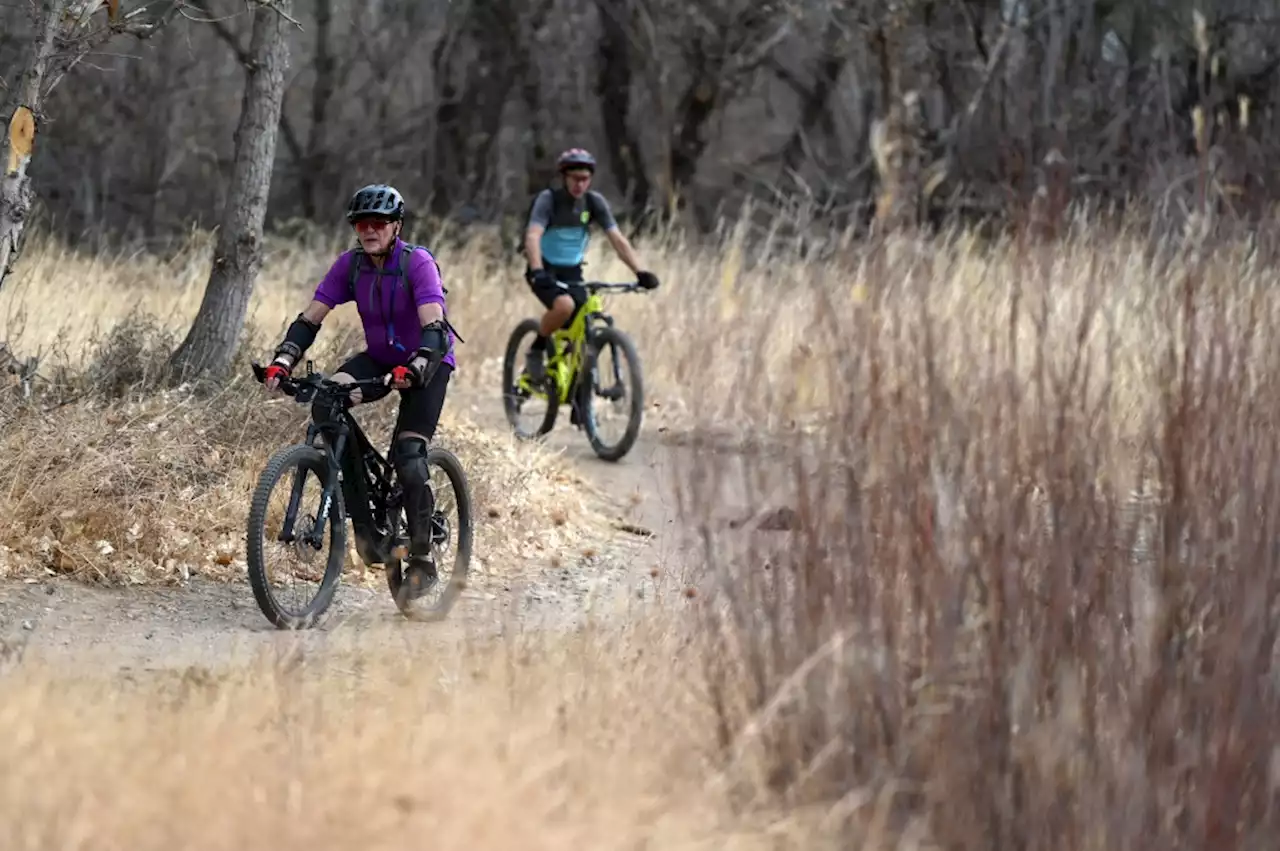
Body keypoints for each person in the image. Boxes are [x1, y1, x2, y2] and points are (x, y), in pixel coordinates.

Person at [263, 183, 457, 599]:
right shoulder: (351, 266)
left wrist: (418, 366)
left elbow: (435, 328)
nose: (369, 230)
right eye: (361, 223)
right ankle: (366, 526)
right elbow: (311, 319)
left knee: (408, 455)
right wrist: (284, 359)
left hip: (427, 362)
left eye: (379, 223)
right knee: (326, 401)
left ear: (396, 226)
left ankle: (422, 558)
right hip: (382, 357)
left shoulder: (417, 263)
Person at [521, 147, 660, 382]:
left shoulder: (593, 202)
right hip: (544, 269)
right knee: (564, 306)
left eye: (585, 179)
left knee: (583, 324)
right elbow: (533, 236)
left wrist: (641, 272)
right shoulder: (549, 200)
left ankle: (579, 396)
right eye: (575, 179)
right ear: (564, 177)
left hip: (572, 271)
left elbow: (617, 239)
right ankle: (537, 349)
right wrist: (537, 271)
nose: (580, 185)